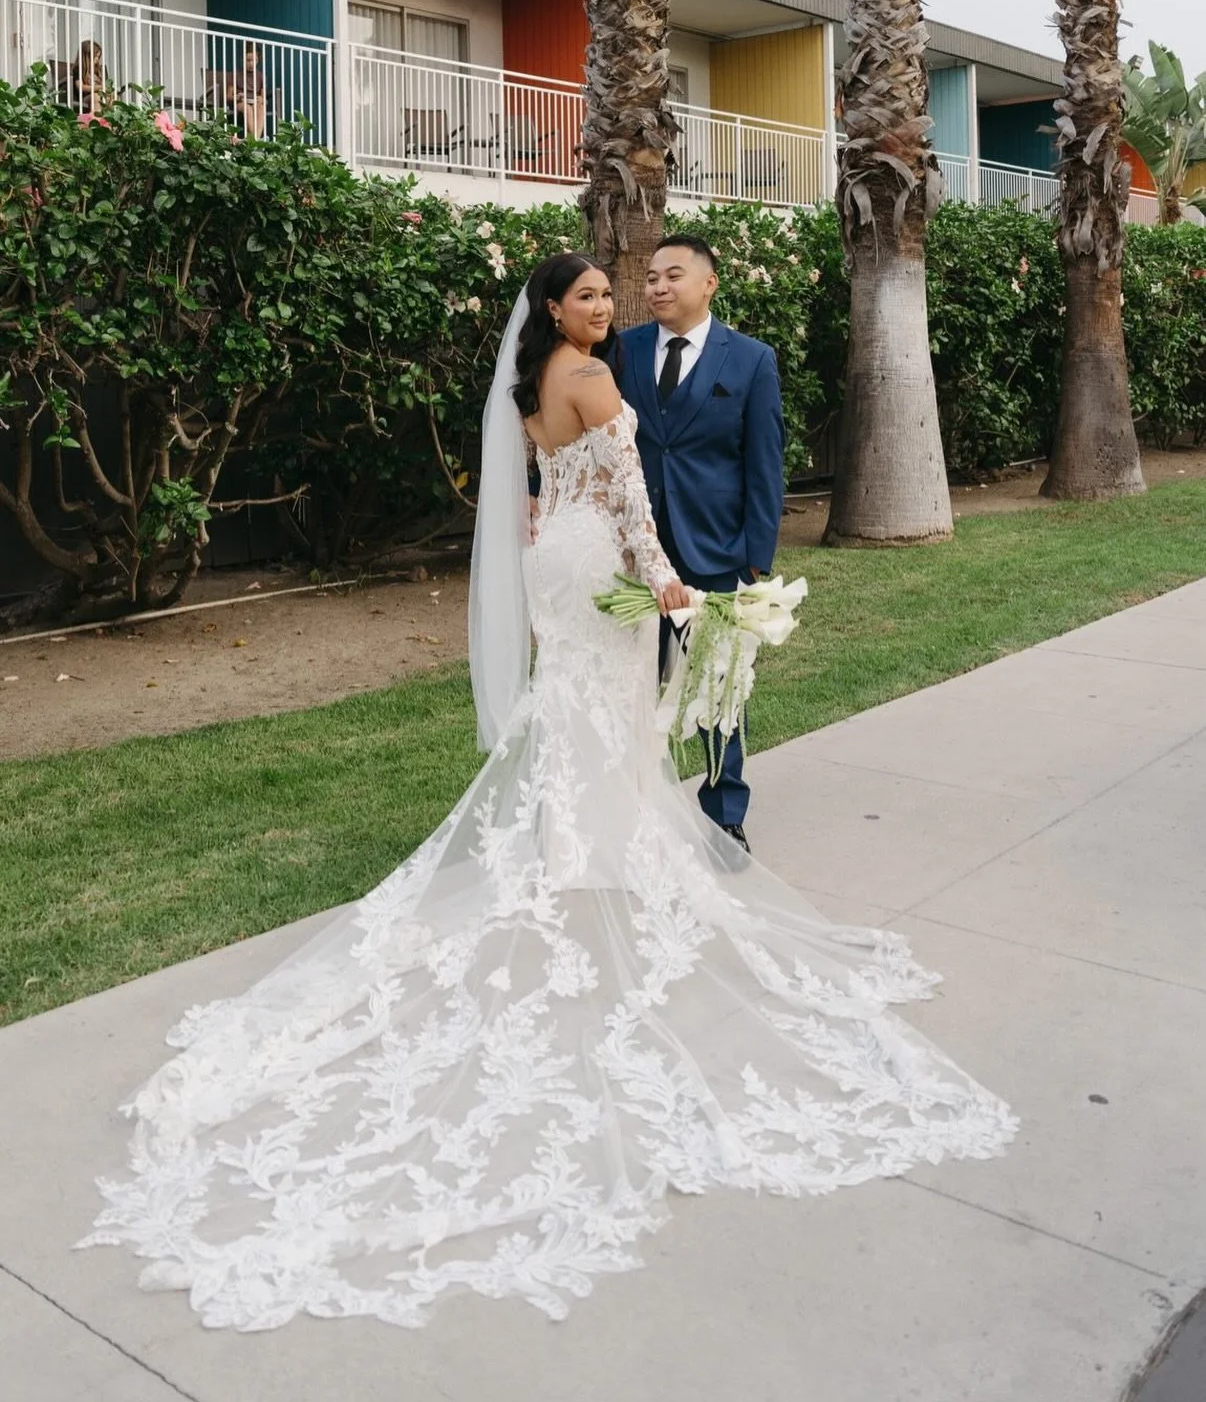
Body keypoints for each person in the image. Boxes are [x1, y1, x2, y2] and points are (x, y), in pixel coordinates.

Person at [80, 254, 1015, 1331]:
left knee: (576, 710)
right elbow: (626, 494)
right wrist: (667, 585)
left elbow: (539, 492)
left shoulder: (532, 387)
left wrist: (590, 552)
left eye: (615, 296)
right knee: (604, 709)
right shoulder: (589, 376)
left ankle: (578, 841)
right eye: (592, 297)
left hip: (553, 566)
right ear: (556, 312)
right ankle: (598, 846)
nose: (609, 308)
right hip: (601, 564)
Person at [613, 235, 784, 851]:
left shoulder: (751, 360)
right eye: (652, 277)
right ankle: (631, 808)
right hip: (631, 554)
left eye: (673, 276)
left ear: (709, 283)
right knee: (630, 686)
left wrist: (754, 560)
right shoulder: (622, 350)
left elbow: (765, 466)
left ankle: (723, 814)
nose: (658, 286)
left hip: (714, 553)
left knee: (716, 687)